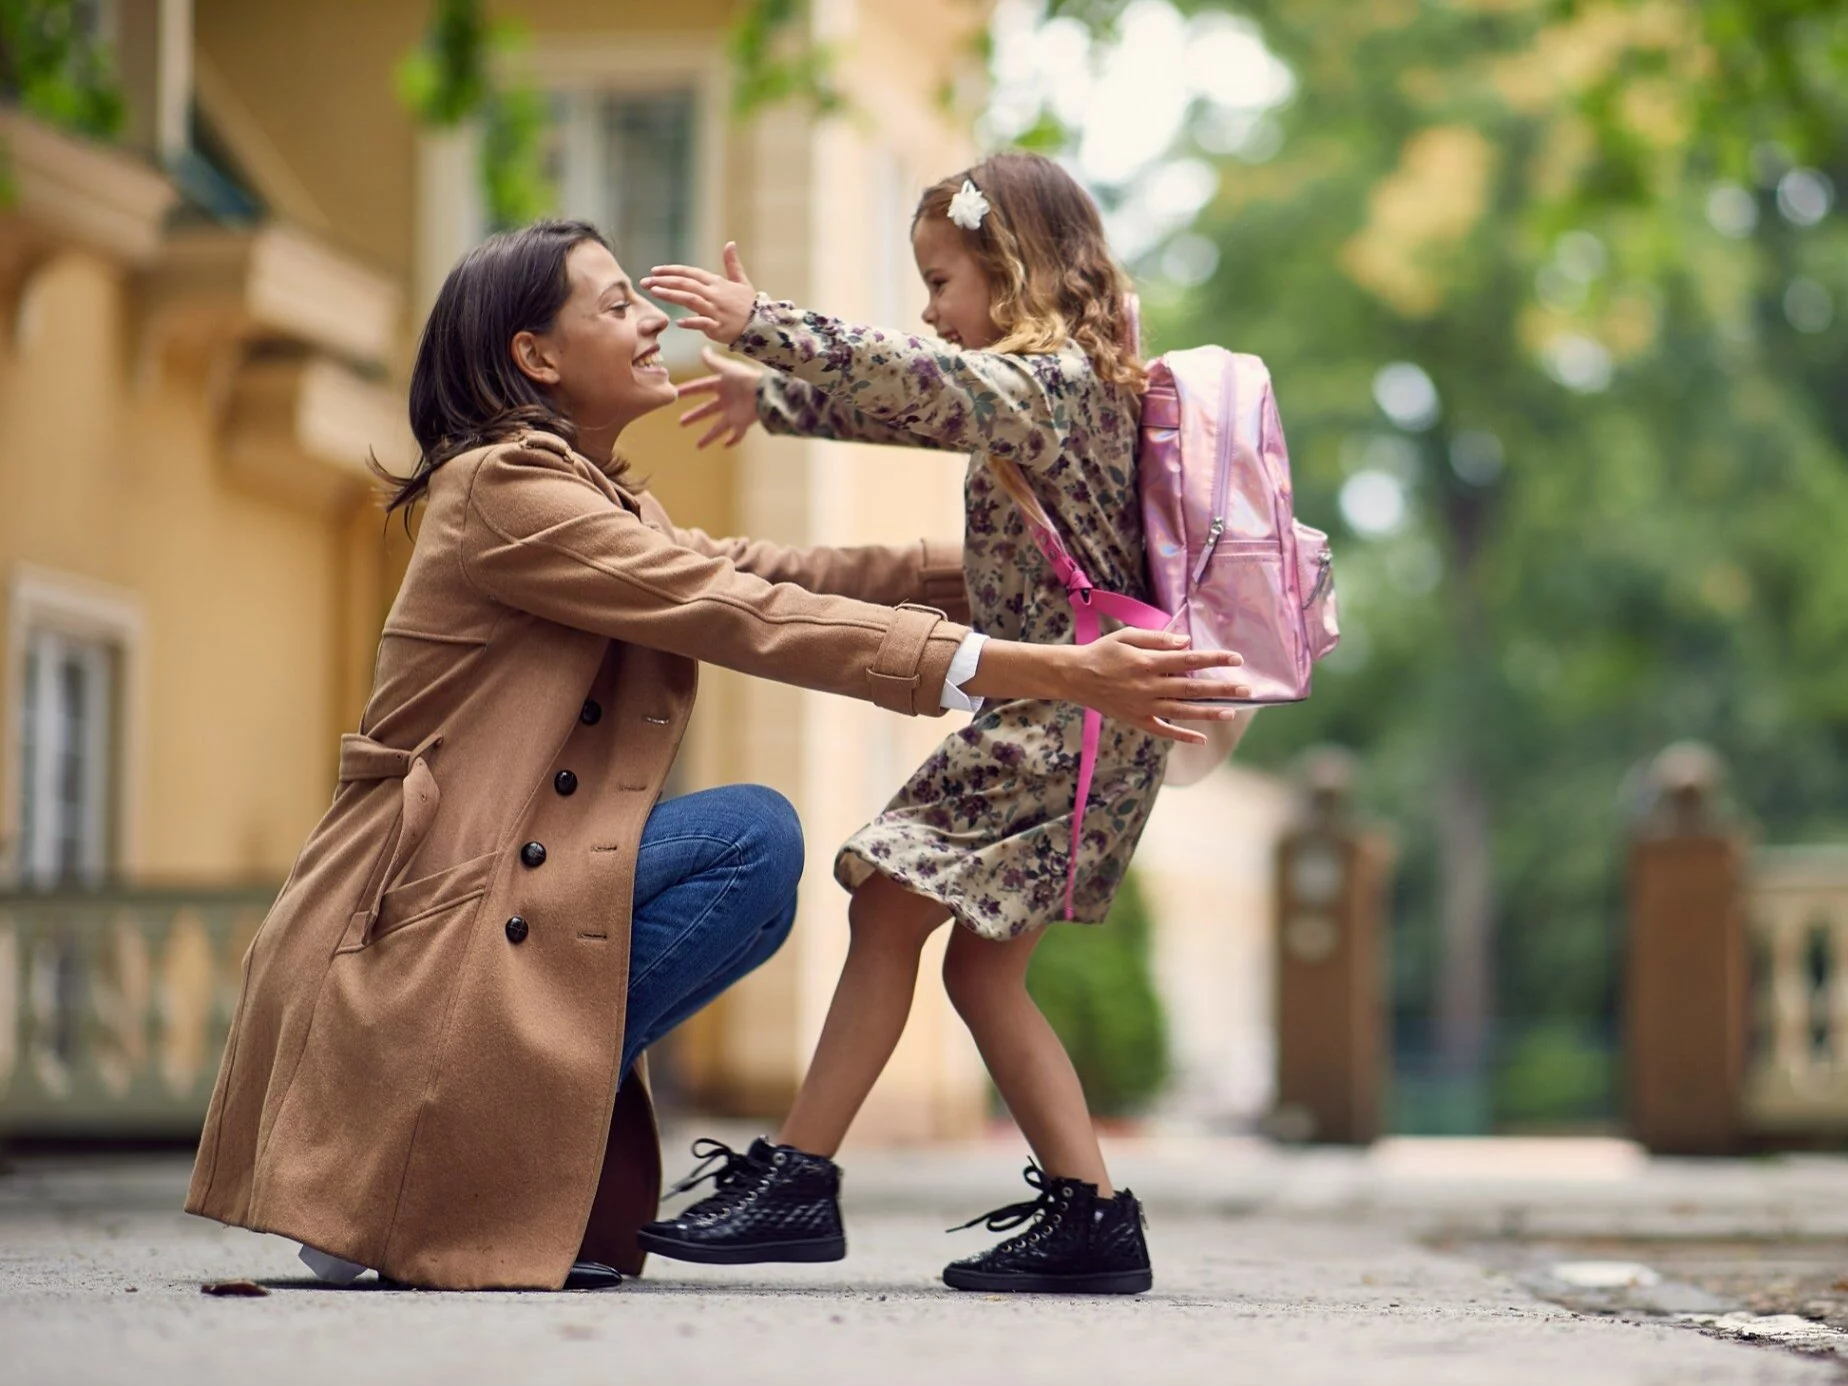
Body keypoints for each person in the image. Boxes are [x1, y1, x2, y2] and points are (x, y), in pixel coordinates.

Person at [182, 217, 1245, 1292]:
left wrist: (1034, 572)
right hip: (420, 918)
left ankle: (440, 1152)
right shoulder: (506, 494)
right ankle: (417, 1133)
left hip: (488, 887)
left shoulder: (595, 496)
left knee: (755, 857)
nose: (651, 321)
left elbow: (774, 566)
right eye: (615, 304)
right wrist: (1055, 670)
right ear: (535, 357)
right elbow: (739, 609)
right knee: (750, 841)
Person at [635, 151, 1201, 1295]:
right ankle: (1094, 1218)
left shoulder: (1048, 386)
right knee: (982, 975)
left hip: (1067, 709)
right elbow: (933, 399)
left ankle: (798, 1176)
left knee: (890, 897)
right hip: (1082, 716)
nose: (931, 308)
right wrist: (776, 398)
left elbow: (921, 383)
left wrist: (765, 328)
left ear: (1017, 271)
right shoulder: (1067, 384)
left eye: (943, 280)